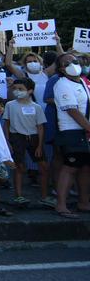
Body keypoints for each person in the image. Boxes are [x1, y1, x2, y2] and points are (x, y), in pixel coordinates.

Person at [52, 53, 90, 218]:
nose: (71, 64)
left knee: (85, 168)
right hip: (72, 131)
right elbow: (72, 110)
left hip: (84, 130)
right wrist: (88, 127)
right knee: (70, 167)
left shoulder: (81, 81)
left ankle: (84, 202)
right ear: (61, 68)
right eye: (66, 63)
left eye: (73, 61)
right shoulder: (62, 84)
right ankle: (61, 205)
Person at [4, 77, 46, 206]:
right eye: (15, 88)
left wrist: (39, 145)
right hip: (17, 137)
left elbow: (40, 126)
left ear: (30, 91)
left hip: (33, 137)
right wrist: (8, 142)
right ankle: (18, 195)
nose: (17, 91)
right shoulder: (10, 105)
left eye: (21, 89)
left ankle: (44, 195)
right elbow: (7, 124)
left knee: (44, 166)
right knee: (19, 167)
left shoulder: (36, 107)